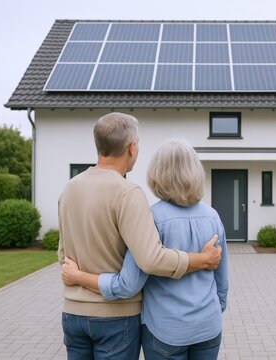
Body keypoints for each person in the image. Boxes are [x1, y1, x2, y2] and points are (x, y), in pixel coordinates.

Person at [58, 113, 222, 360]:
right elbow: (150, 260)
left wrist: (78, 276)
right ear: (132, 148)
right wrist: (201, 260)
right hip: (115, 318)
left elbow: (63, 253)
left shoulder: (69, 188)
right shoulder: (128, 193)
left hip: (72, 314)